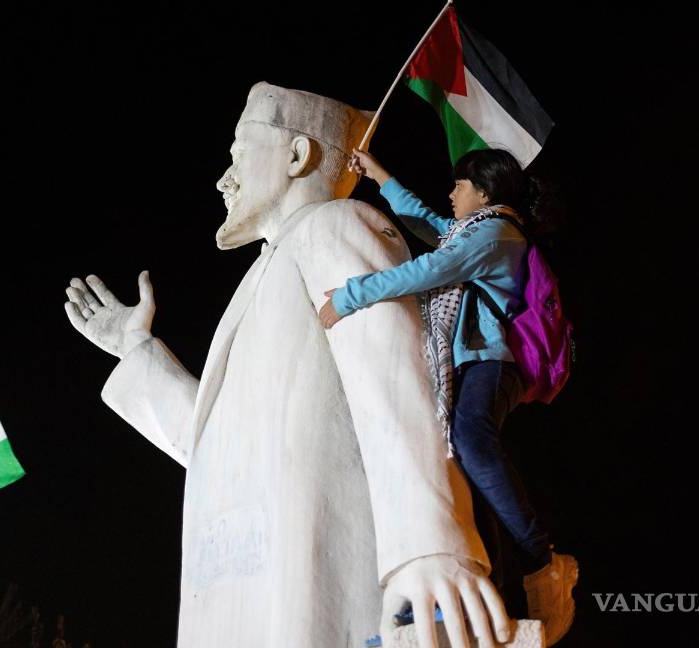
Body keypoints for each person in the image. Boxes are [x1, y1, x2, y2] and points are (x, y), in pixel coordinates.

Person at [63, 83, 517, 648]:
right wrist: (138, 351)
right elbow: (218, 448)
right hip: (233, 600)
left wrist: (425, 543)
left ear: (298, 155)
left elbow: (396, 382)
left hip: (314, 588)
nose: (223, 179)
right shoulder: (259, 277)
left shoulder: (338, 225)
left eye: (238, 155)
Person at [319, 147, 578, 645]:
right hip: (473, 363)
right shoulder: (477, 233)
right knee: (463, 464)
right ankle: (495, 585)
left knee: (471, 440)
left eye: (460, 185)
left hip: (491, 362)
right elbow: (430, 223)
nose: (451, 193)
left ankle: (541, 559)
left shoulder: (496, 235)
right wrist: (381, 175)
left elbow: (429, 270)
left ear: (484, 193)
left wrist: (350, 296)